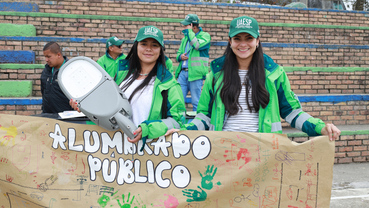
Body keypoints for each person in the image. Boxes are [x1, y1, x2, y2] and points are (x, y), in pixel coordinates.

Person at [181, 16, 341, 141]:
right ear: (230, 42)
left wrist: (321, 127)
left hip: (263, 152)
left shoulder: (275, 74)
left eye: (248, 38)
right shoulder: (215, 75)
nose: (243, 44)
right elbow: (204, 116)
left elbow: (292, 113)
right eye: (237, 39)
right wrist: (184, 131)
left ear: (257, 41)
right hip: (223, 151)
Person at [71, 26, 186, 150]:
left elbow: (178, 122)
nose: (148, 49)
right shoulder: (120, 75)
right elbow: (106, 108)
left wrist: (148, 129)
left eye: (154, 45)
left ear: (160, 50)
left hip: (150, 155)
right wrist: (86, 107)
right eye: (144, 44)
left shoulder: (169, 84)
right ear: (136, 46)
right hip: (116, 152)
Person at [175, 14, 211, 111]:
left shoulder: (205, 36)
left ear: (193, 26)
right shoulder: (185, 39)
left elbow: (197, 45)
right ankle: (179, 123)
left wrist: (189, 32)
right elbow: (178, 54)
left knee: (196, 102)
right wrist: (180, 57)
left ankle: (196, 124)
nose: (184, 27)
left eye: (186, 25)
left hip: (196, 74)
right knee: (178, 101)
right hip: (183, 73)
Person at [40, 42, 73, 115]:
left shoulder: (71, 70)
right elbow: (43, 91)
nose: (46, 60)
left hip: (66, 118)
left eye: (48, 57)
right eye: (45, 57)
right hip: (47, 116)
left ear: (58, 55)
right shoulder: (46, 70)